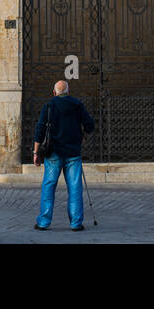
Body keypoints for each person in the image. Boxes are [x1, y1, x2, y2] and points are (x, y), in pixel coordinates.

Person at [33, 79, 95, 231]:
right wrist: (80, 133)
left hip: (53, 153)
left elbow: (40, 129)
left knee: (49, 186)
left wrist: (36, 152)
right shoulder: (77, 105)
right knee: (75, 188)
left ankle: (43, 222)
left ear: (54, 92)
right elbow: (90, 126)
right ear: (68, 92)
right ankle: (76, 223)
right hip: (73, 152)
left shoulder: (49, 106)